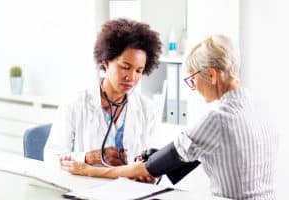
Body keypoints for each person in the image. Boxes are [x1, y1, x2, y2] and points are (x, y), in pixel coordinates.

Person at [60, 34, 279, 199]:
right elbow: (185, 157)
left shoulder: (218, 118)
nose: (193, 88)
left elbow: (149, 168)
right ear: (105, 63)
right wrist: (154, 161)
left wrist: (88, 170)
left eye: (192, 79)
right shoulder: (262, 107)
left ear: (211, 74)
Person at [44, 18, 162, 167]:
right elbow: (51, 158)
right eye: (125, 67)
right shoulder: (75, 104)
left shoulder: (146, 108)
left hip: (131, 187)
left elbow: (155, 159)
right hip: (86, 186)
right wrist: (89, 157)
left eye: (139, 70)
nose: (131, 77)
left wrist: (149, 171)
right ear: (105, 62)